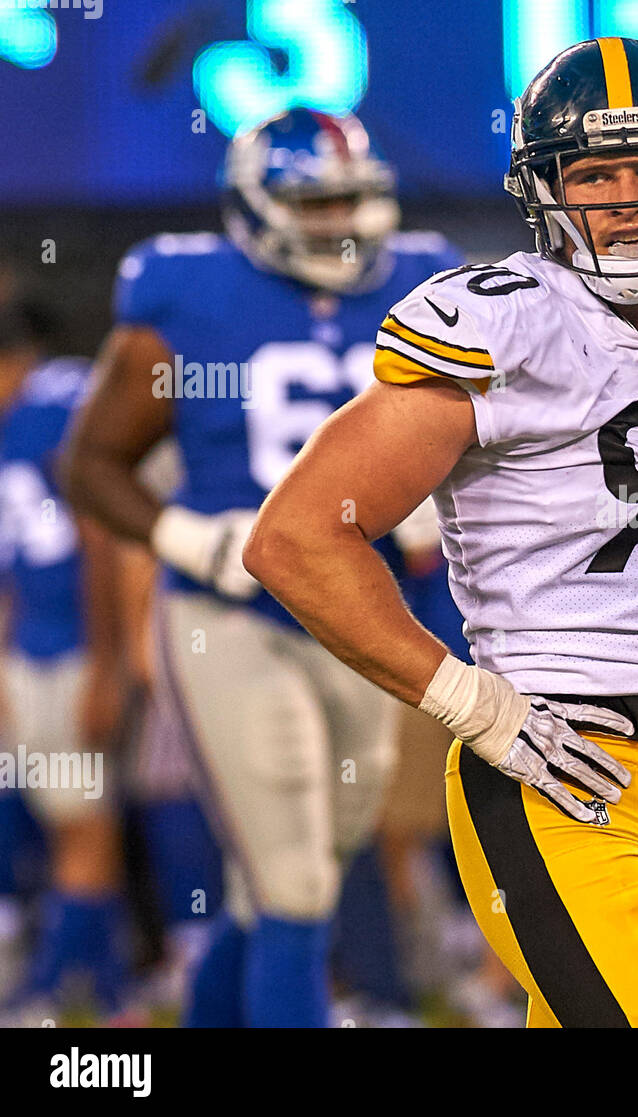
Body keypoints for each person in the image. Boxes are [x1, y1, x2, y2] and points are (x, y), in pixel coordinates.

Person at [243, 37, 638, 1028]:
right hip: (561, 772)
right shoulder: (504, 325)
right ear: (545, 189)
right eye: (593, 173)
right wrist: (468, 702)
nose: (625, 197)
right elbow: (298, 536)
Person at [60, 109, 463, 1027]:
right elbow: (91, 464)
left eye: (352, 201)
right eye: (313, 203)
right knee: (293, 882)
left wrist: (437, 501)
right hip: (228, 613)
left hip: (362, 610)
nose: (340, 224)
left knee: (311, 863)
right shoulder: (187, 294)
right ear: (253, 208)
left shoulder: (427, 284)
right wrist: (191, 540)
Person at [0, 299, 134, 1024]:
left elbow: (100, 539)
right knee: (71, 823)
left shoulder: (56, 401)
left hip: (78, 648)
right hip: (37, 650)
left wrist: (106, 663)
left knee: (84, 826)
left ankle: (51, 991)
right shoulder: (19, 415)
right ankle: (110, 990)